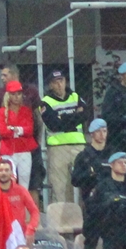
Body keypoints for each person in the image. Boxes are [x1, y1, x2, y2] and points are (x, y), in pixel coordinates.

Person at [38, 70, 89, 205]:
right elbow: (54, 124)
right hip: (57, 148)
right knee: (59, 187)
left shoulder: (75, 96)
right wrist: (75, 117)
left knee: (85, 182)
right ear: (50, 85)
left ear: (65, 81)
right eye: (55, 82)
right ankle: (60, 216)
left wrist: (63, 118)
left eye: (61, 80)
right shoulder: (45, 102)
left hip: (78, 145)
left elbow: (85, 115)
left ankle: (82, 215)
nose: (59, 84)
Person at [0, 78, 38, 192]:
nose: (16, 97)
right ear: (8, 95)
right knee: (8, 181)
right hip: (8, 150)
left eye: (19, 94)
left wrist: (14, 129)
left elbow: (30, 130)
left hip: (24, 149)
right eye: (13, 94)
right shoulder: (1, 111)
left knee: (24, 182)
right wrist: (21, 130)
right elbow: (3, 132)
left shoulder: (26, 110)